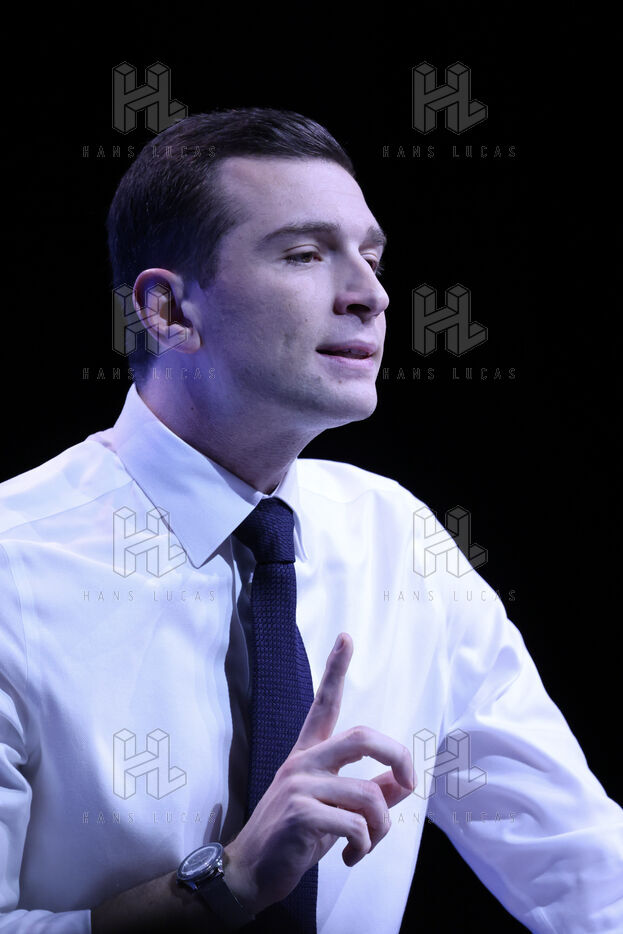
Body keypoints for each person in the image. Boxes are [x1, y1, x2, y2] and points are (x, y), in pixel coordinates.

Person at [0, 108, 621, 934]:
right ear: (167, 309)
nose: (371, 295)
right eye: (303, 254)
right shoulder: (12, 565)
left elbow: (582, 871)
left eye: (371, 257)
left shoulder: (398, 540)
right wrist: (226, 886)